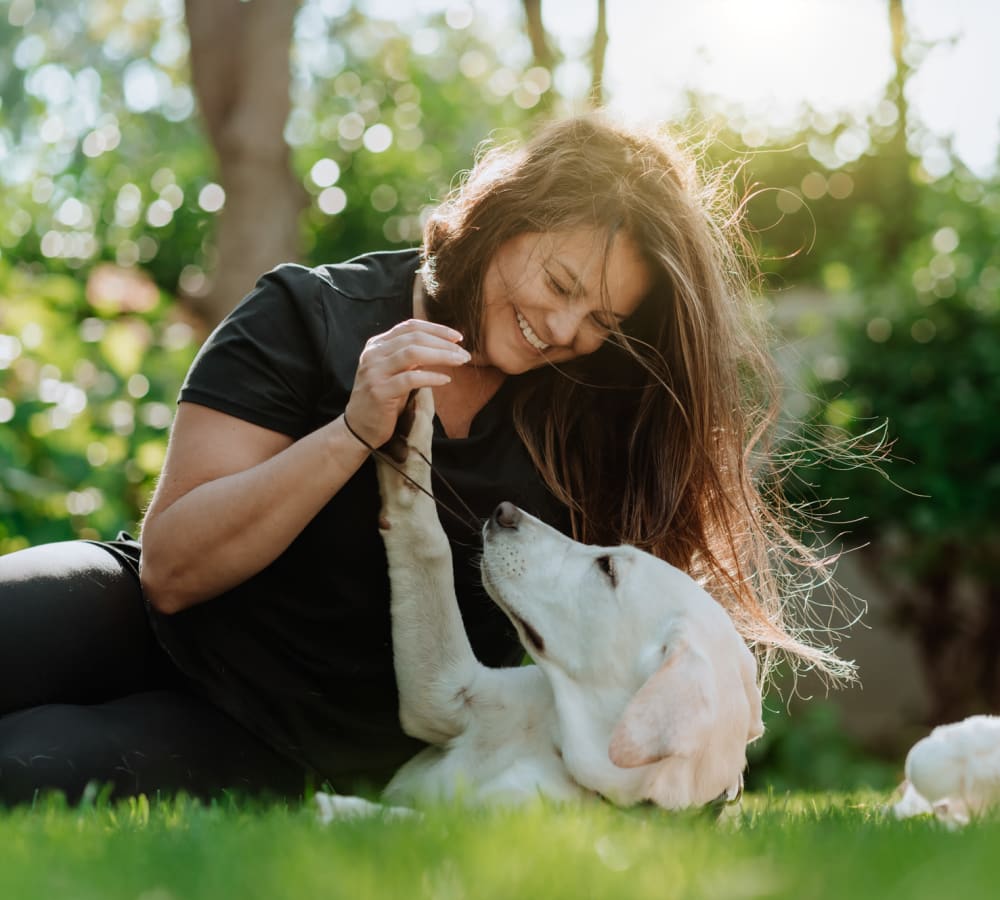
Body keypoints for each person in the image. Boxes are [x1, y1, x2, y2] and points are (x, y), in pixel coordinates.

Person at [0, 113, 851, 807]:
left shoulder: (595, 423)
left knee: (28, 766)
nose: (565, 332)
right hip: (149, 625)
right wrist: (352, 430)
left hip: (284, 739)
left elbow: (658, 658)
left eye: (602, 319)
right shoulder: (307, 314)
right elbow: (171, 573)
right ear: (505, 216)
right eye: (558, 285)